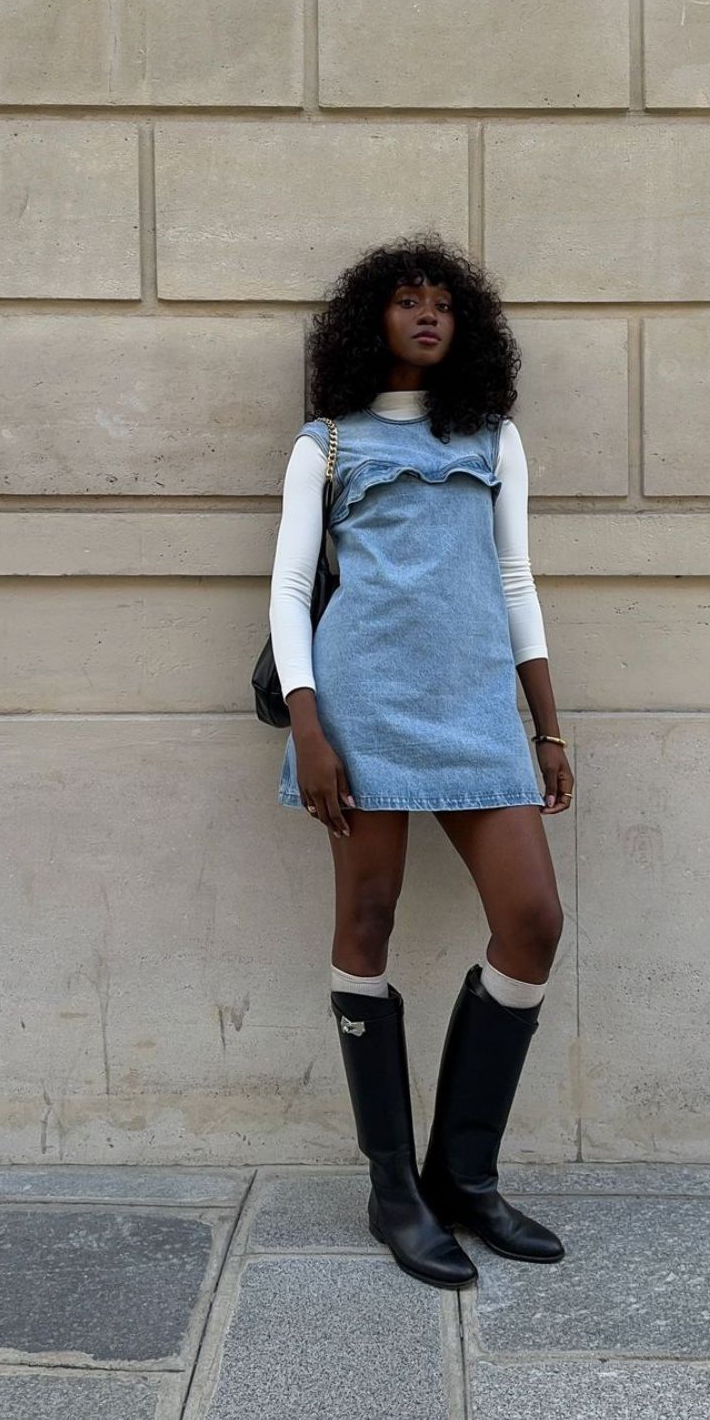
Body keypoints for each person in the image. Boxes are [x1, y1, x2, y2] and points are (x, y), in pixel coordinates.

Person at [269, 232, 575, 1291]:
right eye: (407, 301)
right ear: (373, 322)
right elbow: (289, 588)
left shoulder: (492, 439)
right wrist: (309, 729)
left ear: (467, 327)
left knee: (532, 920)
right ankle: (393, 1189)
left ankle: (466, 1176)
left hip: (477, 710)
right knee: (366, 923)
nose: (427, 315)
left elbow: (515, 581)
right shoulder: (328, 444)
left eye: (443, 302)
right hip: (361, 710)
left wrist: (545, 727)